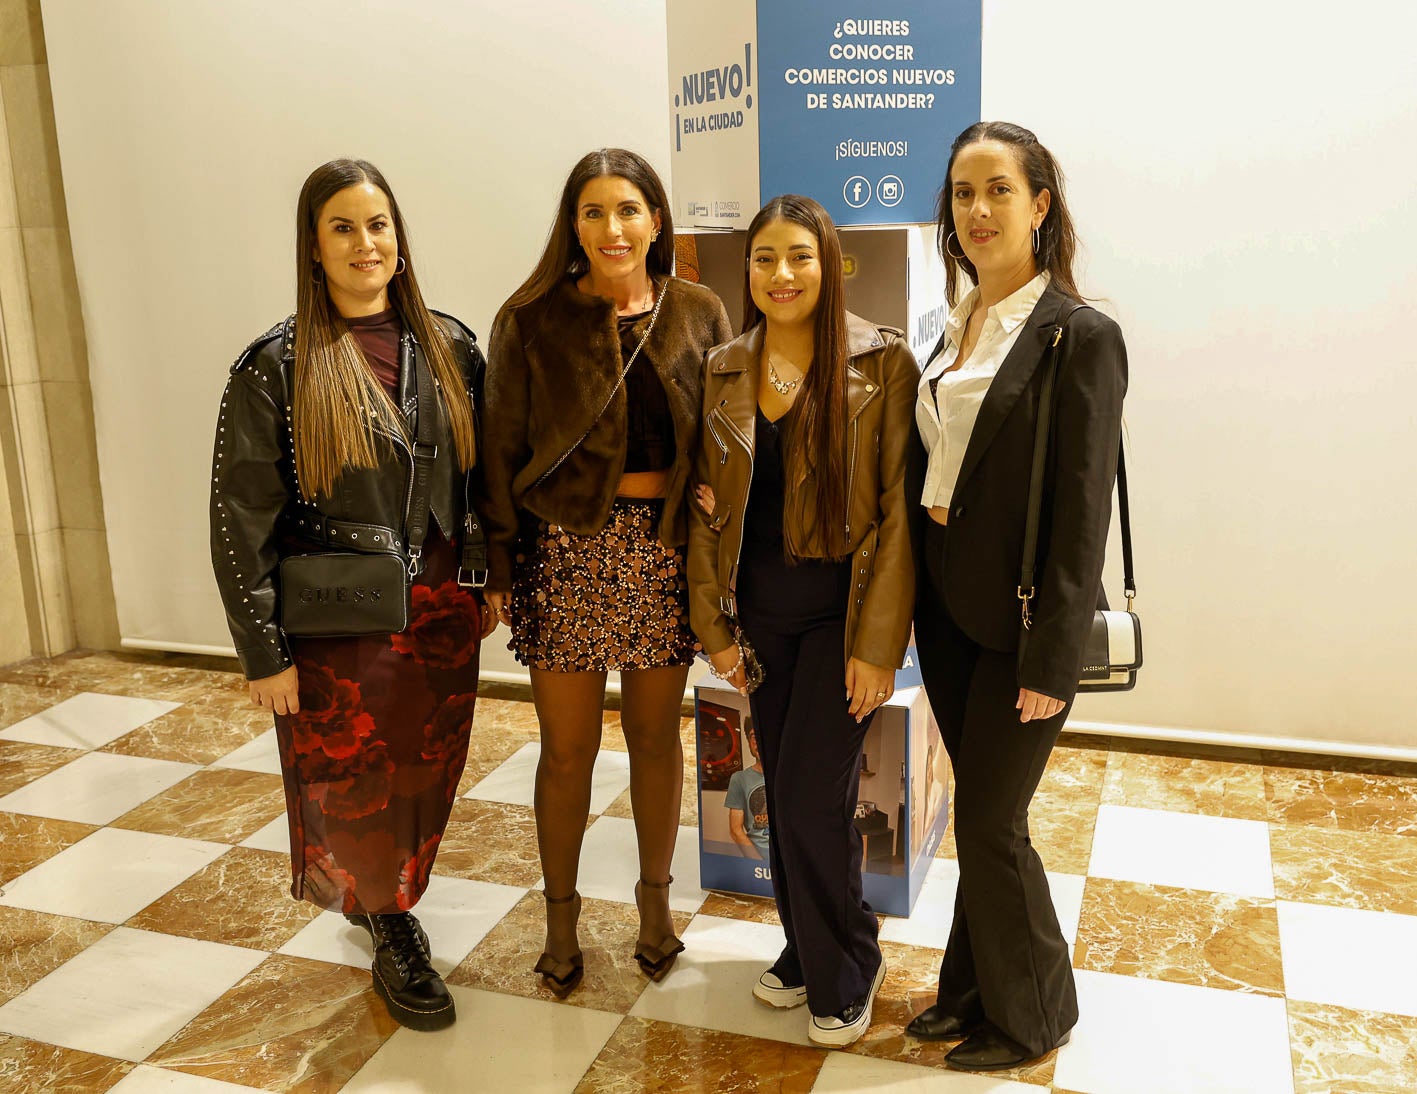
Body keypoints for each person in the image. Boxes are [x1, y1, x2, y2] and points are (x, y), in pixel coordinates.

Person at [210, 159, 494, 1031]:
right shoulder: (275, 366)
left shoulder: (452, 346)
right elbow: (238, 516)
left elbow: (485, 482)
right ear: (313, 246)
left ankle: (391, 896)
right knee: (353, 785)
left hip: (443, 612)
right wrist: (263, 651)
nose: (364, 244)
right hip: (338, 624)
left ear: (398, 240)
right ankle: (390, 924)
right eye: (342, 227)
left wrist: (491, 581)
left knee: (423, 773)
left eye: (377, 225)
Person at [478, 148, 732, 997]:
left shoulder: (700, 311)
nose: (611, 227)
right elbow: (500, 448)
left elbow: (731, 437)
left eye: (628, 209)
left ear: (656, 219)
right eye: (593, 212)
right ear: (573, 226)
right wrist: (501, 563)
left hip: (663, 553)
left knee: (659, 740)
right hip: (566, 553)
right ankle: (559, 920)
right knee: (567, 751)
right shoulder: (530, 319)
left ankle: (655, 911)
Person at [905, 122, 1128, 1071]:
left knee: (994, 822)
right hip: (947, 609)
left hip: (1023, 623)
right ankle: (969, 989)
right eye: (962, 193)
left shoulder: (1079, 336)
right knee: (980, 817)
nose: (977, 210)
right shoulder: (953, 325)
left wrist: (1052, 660)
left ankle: (1037, 1013)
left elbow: (1083, 512)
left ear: (1041, 204)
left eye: (998, 190)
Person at [687, 194, 918, 1048]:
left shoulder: (881, 364)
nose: (780, 275)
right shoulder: (722, 367)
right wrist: (713, 625)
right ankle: (813, 940)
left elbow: (894, 515)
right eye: (763, 259)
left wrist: (876, 646)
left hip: (839, 623)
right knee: (784, 803)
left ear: (828, 263)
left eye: (799, 257)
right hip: (761, 626)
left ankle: (847, 965)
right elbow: (702, 510)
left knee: (805, 797)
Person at [725, 724, 769, 860]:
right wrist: (759, 863)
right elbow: (736, 830)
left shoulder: (788, 775)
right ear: (749, 742)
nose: (759, 742)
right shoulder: (739, 779)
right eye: (754, 737)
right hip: (759, 856)